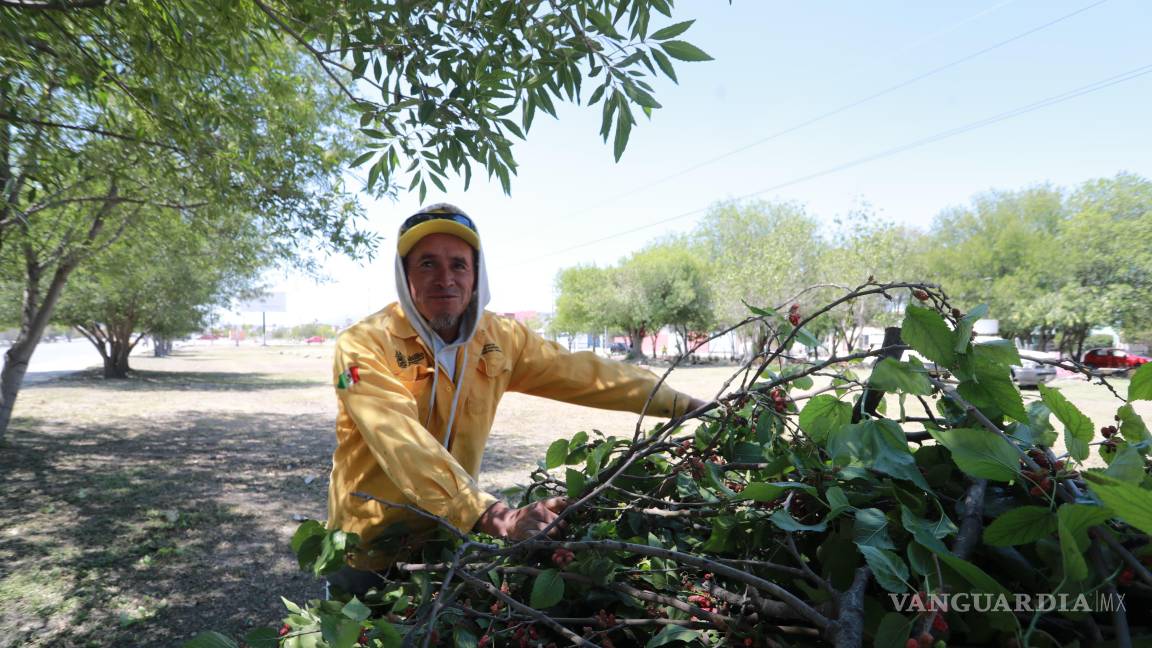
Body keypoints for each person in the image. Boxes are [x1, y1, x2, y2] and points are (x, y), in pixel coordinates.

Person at [324, 204, 706, 597]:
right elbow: (396, 437)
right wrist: (496, 516)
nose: (445, 279)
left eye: (458, 264)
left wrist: (686, 405)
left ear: (476, 276)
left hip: (447, 536)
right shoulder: (362, 345)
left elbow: (588, 374)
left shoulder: (500, 339)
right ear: (405, 277)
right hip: (366, 546)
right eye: (427, 264)